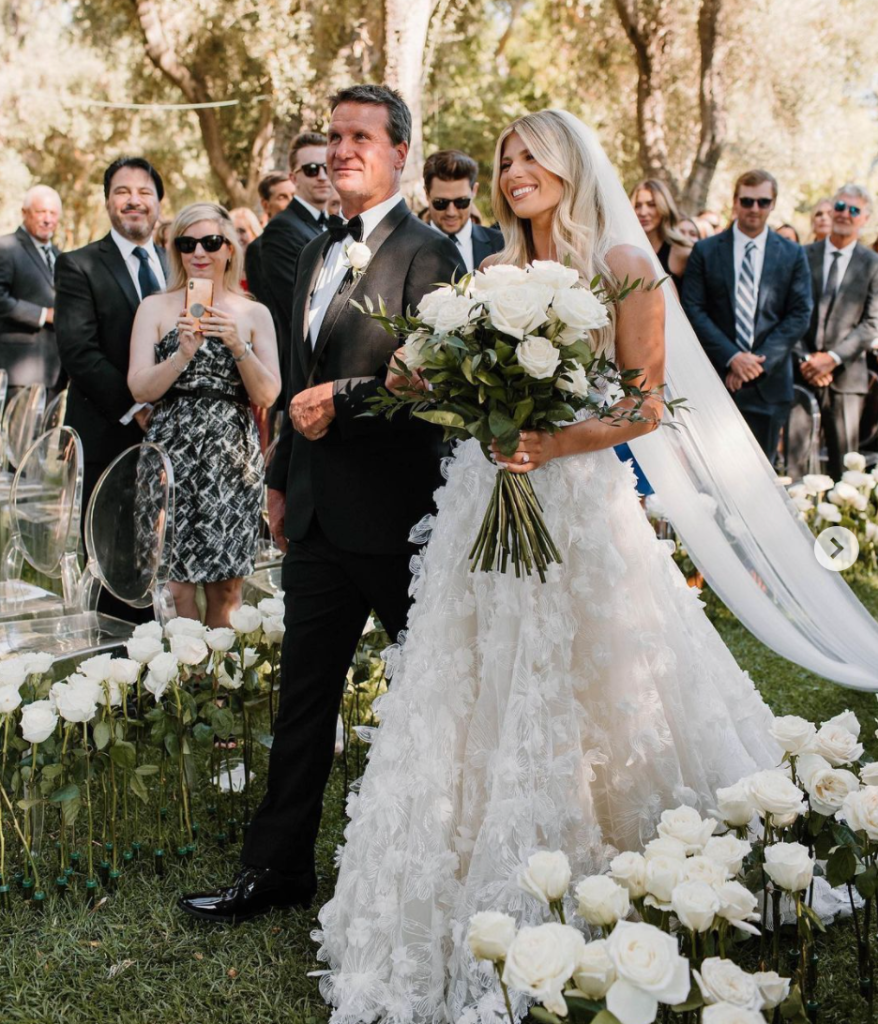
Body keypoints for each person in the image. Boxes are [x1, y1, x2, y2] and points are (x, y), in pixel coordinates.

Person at [309, 109, 791, 1024]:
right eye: (507, 158)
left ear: (571, 165)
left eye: (533, 155)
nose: (517, 169)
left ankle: (621, 871)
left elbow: (646, 407)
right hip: (482, 506)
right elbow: (420, 370)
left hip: (576, 507)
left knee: (593, 680)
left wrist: (553, 438)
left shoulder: (623, 265)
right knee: (470, 677)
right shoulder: (486, 269)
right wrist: (431, 368)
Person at [177, 85, 463, 923]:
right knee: (302, 701)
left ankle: (431, 864)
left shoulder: (432, 255)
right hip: (312, 519)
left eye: (359, 137)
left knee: (429, 693)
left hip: (401, 518)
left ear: (399, 152)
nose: (341, 151)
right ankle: (275, 871)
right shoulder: (306, 250)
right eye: (333, 137)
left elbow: (438, 388)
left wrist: (348, 401)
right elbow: (298, 384)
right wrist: (277, 478)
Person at [127, 203, 280, 624]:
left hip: (229, 455)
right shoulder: (154, 308)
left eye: (211, 242)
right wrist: (182, 354)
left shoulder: (253, 313)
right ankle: (180, 681)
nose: (200, 252)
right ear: (175, 250)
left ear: (229, 249)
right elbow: (139, 386)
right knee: (174, 588)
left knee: (226, 587)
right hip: (169, 452)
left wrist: (237, 345)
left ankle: (217, 686)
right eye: (187, 243)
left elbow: (267, 393)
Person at [56, 156, 168, 519]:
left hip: (175, 435)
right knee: (110, 553)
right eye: (122, 191)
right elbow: (79, 353)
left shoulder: (177, 264)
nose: (134, 200)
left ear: (158, 204)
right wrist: (137, 407)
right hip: (109, 430)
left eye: (144, 192)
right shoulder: (78, 265)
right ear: (107, 201)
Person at [682, 169, 812, 462]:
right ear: (735, 201)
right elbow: (693, 309)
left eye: (763, 202)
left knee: (762, 478)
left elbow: (800, 314)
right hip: (716, 379)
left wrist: (755, 364)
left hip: (769, 385)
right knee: (711, 473)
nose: (755, 208)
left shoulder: (792, 254)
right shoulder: (705, 250)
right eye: (748, 201)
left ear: (773, 203)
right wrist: (733, 358)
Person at [795, 185, 878, 477]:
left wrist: (830, 358)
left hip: (847, 377)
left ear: (865, 218)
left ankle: (839, 523)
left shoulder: (873, 264)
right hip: (799, 374)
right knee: (795, 465)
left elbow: (871, 323)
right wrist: (806, 359)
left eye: (854, 210)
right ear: (832, 209)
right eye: (840, 207)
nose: (845, 214)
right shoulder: (802, 255)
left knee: (845, 468)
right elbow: (789, 312)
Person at [260, 131, 333, 397]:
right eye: (312, 169)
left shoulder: (336, 223)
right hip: (307, 367)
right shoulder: (281, 230)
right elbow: (300, 306)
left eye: (326, 167)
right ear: (293, 177)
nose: (322, 176)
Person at [0, 185, 63, 393]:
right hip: (17, 373)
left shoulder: (60, 256)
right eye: (41, 212)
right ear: (24, 213)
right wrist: (44, 314)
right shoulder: (6, 248)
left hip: (54, 374)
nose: (47, 219)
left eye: (53, 213)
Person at [423, 149, 503, 273]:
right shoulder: (406, 248)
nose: (451, 212)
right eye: (441, 203)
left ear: (474, 191)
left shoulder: (502, 245)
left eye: (461, 202)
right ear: (427, 194)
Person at [631, 178, 694, 293]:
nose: (643, 212)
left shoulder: (682, 253)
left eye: (651, 204)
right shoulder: (624, 250)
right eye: (637, 205)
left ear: (663, 207)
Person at [245, 172, 297, 302]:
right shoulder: (256, 249)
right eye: (282, 197)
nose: (291, 202)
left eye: (294, 196)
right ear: (266, 205)